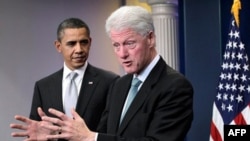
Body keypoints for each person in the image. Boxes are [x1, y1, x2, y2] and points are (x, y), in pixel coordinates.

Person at [22, 6, 194, 141]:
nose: (122, 53)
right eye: (116, 45)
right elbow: (103, 135)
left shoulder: (175, 86)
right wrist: (55, 137)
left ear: (150, 39)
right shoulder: (120, 84)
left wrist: (92, 137)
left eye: (130, 43)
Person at [10, 17, 119, 140]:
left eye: (83, 42)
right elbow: (37, 130)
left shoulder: (110, 82)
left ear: (90, 42)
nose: (79, 49)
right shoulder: (43, 86)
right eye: (71, 43)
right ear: (58, 46)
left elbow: (112, 131)